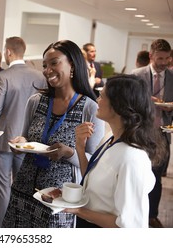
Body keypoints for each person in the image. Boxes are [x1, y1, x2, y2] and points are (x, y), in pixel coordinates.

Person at [2, 40, 105, 228]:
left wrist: (69, 153)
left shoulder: (89, 109)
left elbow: (92, 166)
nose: (47, 70)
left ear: (72, 64)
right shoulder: (36, 101)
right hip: (24, 190)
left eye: (54, 63)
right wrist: (21, 143)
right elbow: (26, 137)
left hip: (59, 200)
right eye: (45, 65)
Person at [68, 74, 163, 227]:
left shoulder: (132, 157)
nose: (98, 100)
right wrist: (80, 147)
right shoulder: (110, 136)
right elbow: (91, 179)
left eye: (102, 96)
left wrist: (78, 211)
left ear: (119, 105)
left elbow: (128, 225)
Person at [0, 37, 47, 228]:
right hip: (28, 142)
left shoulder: (2, 77)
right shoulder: (39, 76)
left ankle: (2, 230)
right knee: (23, 189)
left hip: (2, 140)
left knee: (3, 190)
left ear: (8, 52)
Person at [132, 39, 173, 228]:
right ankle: (132, 212)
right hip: (139, 134)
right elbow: (127, 104)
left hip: (162, 135)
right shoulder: (136, 76)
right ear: (151, 56)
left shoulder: (172, 77)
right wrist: (144, 101)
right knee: (135, 175)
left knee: (156, 178)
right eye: (160, 58)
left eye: (167, 58)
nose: (164, 62)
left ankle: (152, 216)